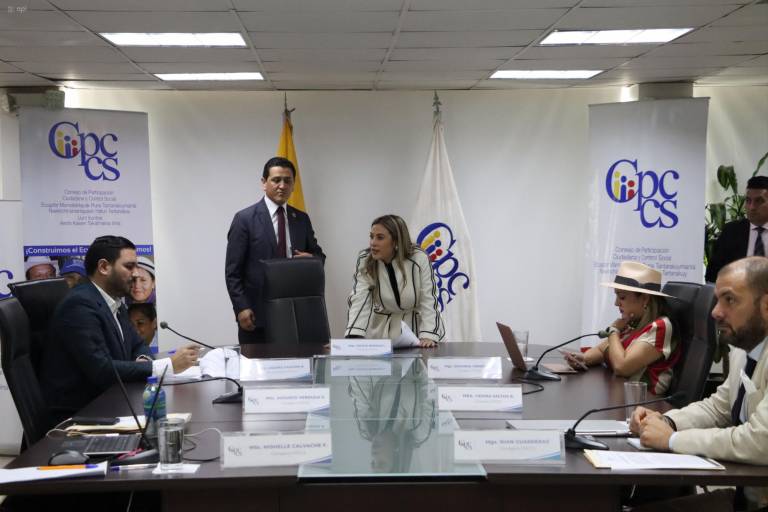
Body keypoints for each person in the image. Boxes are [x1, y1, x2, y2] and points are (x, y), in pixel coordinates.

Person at [632, 257, 768, 510]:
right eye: (717, 300)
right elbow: (718, 408)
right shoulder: (744, 349)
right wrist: (667, 421)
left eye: (729, 299)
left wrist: (672, 440)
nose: (715, 311)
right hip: (746, 497)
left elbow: (761, 442)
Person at [39, 235, 198, 421]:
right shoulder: (79, 305)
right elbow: (103, 370)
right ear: (104, 267)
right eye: (129, 266)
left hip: (111, 402)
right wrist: (165, 366)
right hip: (81, 415)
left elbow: (137, 344)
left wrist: (143, 359)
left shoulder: (113, 300)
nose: (136, 273)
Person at [225, 156, 324, 344]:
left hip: (296, 314)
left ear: (294, 185)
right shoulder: (245, 219)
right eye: (276, 180)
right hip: (256, 316)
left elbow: (319, 256)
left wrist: (311, 260)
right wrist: (241, 307)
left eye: (287, 181)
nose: (282, 185)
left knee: (298, 369)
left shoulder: (301, 218)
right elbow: (233, 272)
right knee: (257, 372)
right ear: (264, 183)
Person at [562, 261, 680, 395]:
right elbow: (603, 350)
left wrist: (614, 331)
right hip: (621, 396)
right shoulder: (634, 323)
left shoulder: (661, 327)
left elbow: (622, 366)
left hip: (644, 404)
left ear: (645, 299)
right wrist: (583, 359)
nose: (616, 303)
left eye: (622, 297)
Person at [345, 214, 444, 347]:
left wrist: (428, 335)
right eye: (371, 236)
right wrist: (353, 337)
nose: (373, 243)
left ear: (396, 241)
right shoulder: (365, 259)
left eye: (380, 237)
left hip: (420, 330)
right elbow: (359, 298)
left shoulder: (419, 258)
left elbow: (429, 298)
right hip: (384, 333)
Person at [706, 176, 768, 282]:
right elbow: (712, 274)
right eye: (748, 200)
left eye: (759, 201)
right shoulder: (731, 232)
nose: (752, 207)